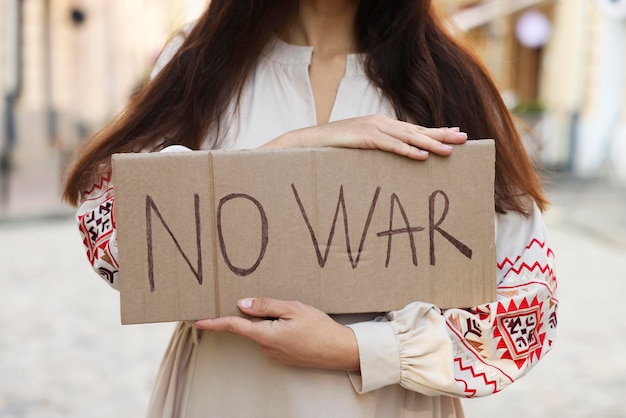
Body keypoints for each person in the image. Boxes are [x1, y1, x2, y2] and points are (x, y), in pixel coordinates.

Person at [62, 1, 558, 417]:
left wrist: (359, 350)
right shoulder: (200, 60)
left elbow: (527, 310)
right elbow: (119, 239)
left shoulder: (449, 80)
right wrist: (293, 149)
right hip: (228, 397)